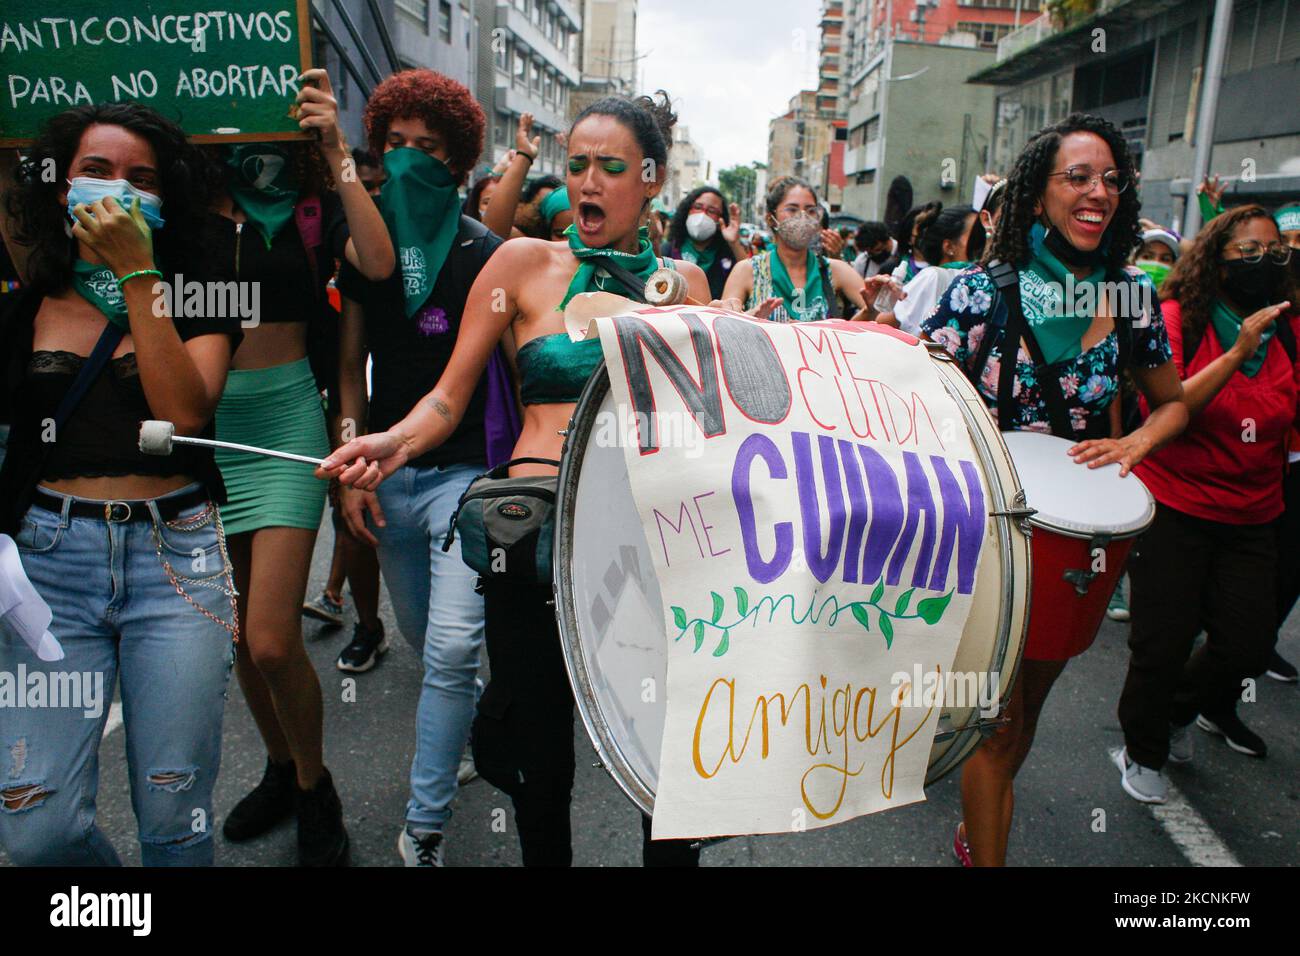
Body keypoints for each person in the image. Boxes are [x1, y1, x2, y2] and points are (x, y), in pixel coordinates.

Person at [320, 90, 714, 867]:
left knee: (662, 755)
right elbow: (446, 396)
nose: (589, 182)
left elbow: (707, 426)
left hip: (648, 543)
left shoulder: (689, 287)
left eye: (611, 166)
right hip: (535, 536)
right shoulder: (521, 264)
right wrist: (393, 441)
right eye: (577, 166)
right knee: (540, 759)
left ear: (653, 178)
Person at [920, 112, 1189, 866]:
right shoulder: (980, 293)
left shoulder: (1132, 298)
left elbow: (1173, 401)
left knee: (1027, 710)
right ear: (1038, 195)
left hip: (1074, 538)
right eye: (1077, 176)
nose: (1096, 190)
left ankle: (979, 815)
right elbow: (918, 402)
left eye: (1110, 178)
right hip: (990, 535)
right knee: (999, 722)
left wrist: (1135, 443)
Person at [0, 104, 242, 865]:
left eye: (142, 179)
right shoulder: (28, 303)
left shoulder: (200, 290)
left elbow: (183, 410)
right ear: (60, 184)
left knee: (174, 815)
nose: (118, 189)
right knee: (37, 831)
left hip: (177, 564)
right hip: (48, 569)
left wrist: (138, 274)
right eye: (97, 172)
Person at [203, 69, 395, 867]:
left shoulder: (315, 206)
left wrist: (336, 149)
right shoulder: (189, 195)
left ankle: (317, 789)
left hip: (286, 418)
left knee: (275, 640)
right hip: (205, 426)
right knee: (242, 638)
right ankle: (281, 769)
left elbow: (379, 265)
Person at [332, 68, 501, 866]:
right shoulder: (364, 251)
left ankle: (423, 824)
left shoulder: (485, 253)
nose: (406, 162)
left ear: (459, 162)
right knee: (424, 633)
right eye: (392, 146)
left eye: (426, 149)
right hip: (385, 477)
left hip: (465, 473)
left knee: (452, 649)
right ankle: (463, 727)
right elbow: (351, 366)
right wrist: (348, 463)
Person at [1115, 205, 1297, 800]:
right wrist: (1236, 351)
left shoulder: (1290, 329)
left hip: (1253, 515)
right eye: (1247, 251)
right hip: (1175, 508)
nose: (1262, 262)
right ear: (1215, 262)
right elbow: (1168, 407)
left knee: (1244, 644)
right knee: (1160, 644)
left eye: (1273, 251)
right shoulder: (1179, 320)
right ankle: (1142, 751)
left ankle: (1174, 716)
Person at [722, 176, 872, 322]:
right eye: (792, 209)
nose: (803, 217)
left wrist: (878, 302)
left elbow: (881, 318)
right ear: (770, 219)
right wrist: (748, 318)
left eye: (810, 210)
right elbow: (722, 328)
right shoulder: (748, 271)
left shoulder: (835, 269)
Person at [876, 204, 983, 335]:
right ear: (949, 246)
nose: (984, 237)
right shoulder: (933, 276)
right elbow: (884, 323)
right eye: (975, 233)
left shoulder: (982, 277)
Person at [660, 186, 748, 298]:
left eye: (711, 211)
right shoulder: (667, 251)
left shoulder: (726, 257)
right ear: (687, 211)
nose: (702, 215)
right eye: (697, 207)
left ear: (720, 219)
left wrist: (734, 243)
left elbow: (751, 277)